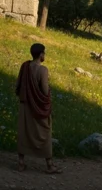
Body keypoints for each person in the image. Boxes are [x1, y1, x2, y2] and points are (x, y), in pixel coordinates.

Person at [16, 43, 60, 174]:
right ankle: (49, 165)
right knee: (45, 132)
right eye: (44, 53)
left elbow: (18, 85)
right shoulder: (43, 70)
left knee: (24, 132)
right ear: (41, 54)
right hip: (39, 107)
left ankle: (21, 163)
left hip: (25, 105)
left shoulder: (25, 66)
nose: (44, 55)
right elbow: (45, 90)